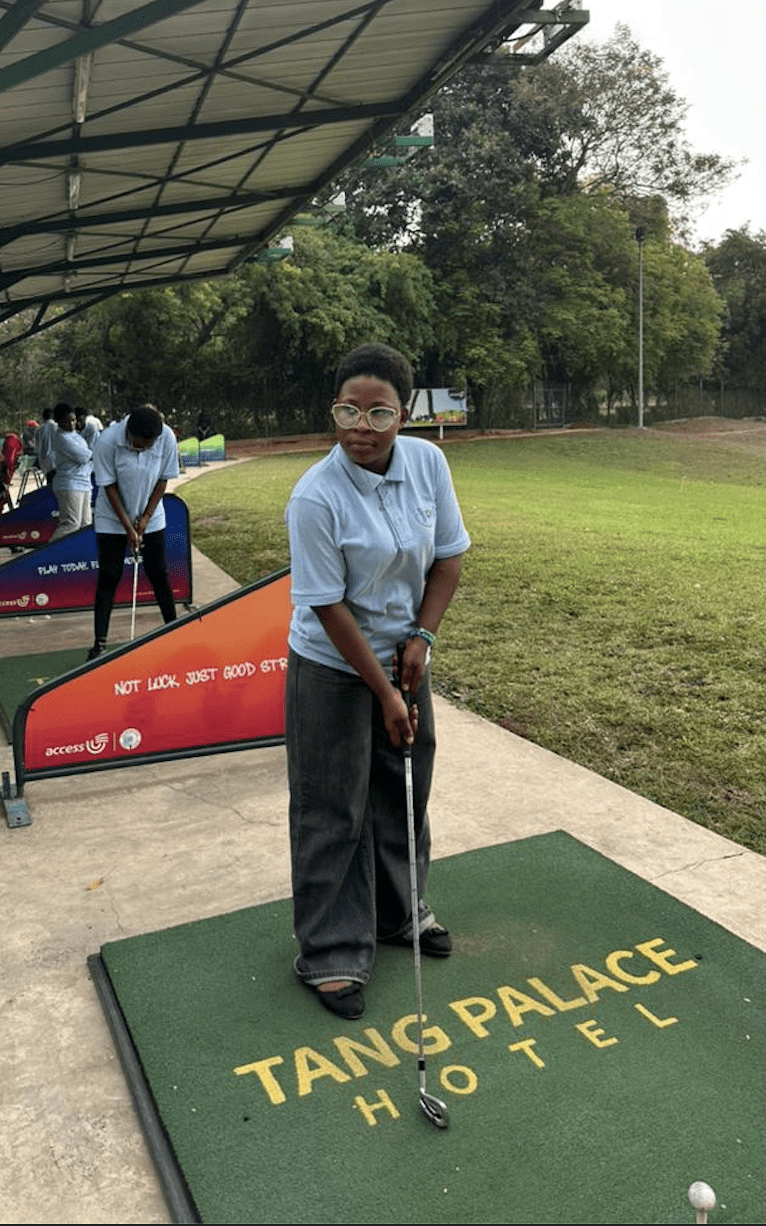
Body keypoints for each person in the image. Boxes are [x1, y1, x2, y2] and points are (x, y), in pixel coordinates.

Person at [284, 342, 471, 1020]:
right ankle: (331, 950)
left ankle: (399, 913)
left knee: (403, 788)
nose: (361, 427)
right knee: (333, 807)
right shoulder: (315, 497)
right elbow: (327, 605)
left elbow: (448, 558)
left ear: (404, 415)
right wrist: (386, 694)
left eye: (380, 413)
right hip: (332, 666)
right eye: (348, 411)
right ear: (333, 410)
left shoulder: (428, 463)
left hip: (404, 656)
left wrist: (422, 638)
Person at [87, 404, 181, 660]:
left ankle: (175, 630)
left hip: (152, 514)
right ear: (129, 434)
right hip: (112, 517)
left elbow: (163, 479)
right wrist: (128, 527)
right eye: (142, 444)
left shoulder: (166, 437)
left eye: (151, 444)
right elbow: (108, 486)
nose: (147, 448)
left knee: (158, 571)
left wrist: (146, 517)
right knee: (109, 575)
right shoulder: (107, 442)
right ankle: (99, 645)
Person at [51, 404, 93, 540]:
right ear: (58, 421)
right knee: (71, 524)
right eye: (66, 421)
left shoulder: (75, 435)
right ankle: (50, 550)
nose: (71, 424)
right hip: (70, 484)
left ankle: (81, 552)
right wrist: (95, 454)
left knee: (86, 524)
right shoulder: (62, 438)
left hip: (83, 482)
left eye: (73, 420)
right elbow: (84, 456)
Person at [36, 404, 59, 484]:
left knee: (50, 483)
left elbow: (37, 447)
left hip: (45, 462)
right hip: (56, 461)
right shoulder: (57, 427)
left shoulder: (39, 430)